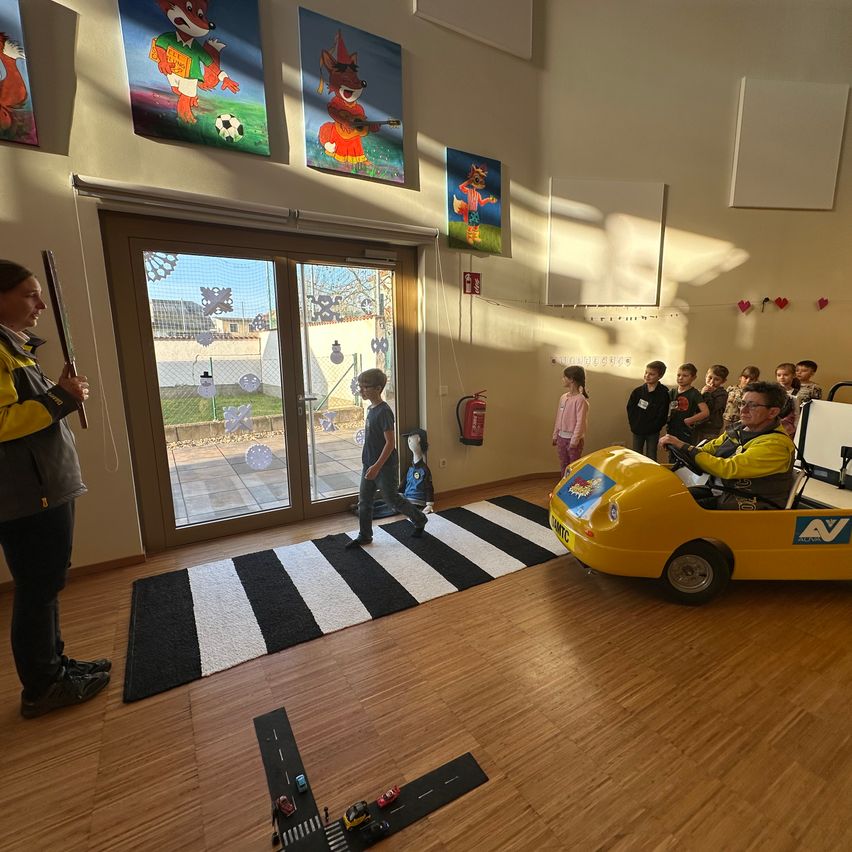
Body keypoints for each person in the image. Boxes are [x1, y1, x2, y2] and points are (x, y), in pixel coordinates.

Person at [0, 259, 110, 718]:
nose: (40, 305)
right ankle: (42, 687)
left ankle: (54, 668)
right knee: (38, 587)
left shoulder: (16, 349)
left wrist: (60, 392)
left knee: (46, 583)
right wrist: (61, 397)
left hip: (41, 488)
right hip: (29, 493)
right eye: (30, 294)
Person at [659, 381, 795, 510]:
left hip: (752, 502)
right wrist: (682, 448)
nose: (743, 410)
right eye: (742, 403)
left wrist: (684, 447)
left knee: (674, 510)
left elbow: (728, 469)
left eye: (753, 405)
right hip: (723, 491)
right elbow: (707, 450)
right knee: (664, 498)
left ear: (773, 412)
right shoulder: (739, 429)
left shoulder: (776, 444)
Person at [346, 369, 428, 549]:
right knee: (364, 501)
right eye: (360, 386)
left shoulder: (384, 411)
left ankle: (419, 519)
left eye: (365, 387)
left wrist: (376, 466)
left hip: (384, 466)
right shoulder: (371, 409)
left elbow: (390, 443)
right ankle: (365, 535)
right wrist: (369, 463)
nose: (361, 390)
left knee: (392, 499)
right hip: (369, 463)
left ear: (378, 388)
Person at [626, 360, 669, 460]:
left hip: (653, 432)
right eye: (646, 372)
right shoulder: (637, 392)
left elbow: (663, 414)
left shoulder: (664, 393)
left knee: (651, 455)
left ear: (660, 376)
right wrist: (634, 425)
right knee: (636, 455)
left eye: (651, 374)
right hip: (638, 429)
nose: (647, 376)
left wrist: (655, 427)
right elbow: (630, 409)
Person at [665, 363, 709, 459]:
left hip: (685, 431)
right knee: (671, 455)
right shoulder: (672, 392)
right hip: (672, 428)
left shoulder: (694, 393)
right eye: (678, 375)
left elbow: (705, 412)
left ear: (693, 378)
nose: (680, 378)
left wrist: (690, 420)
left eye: (685, 376)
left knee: (682, 455)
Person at [552, 365, 589, 475]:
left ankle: (573, 484)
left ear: (572, 379)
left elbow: (580, 422)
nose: (563, 379)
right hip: (561, 438)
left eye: (565, 377)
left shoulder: (580, 400)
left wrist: (574, 440)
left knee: (573, 467)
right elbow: (559, 417)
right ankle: (564, 484)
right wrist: (555, 435)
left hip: (573, 440)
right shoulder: (563, 397)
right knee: (563, 465)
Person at [399, 428, 434, 514]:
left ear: (419, 439)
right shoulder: (411, 468)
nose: (408, 441)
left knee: (393, 507)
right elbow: (404, 481)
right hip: (407, 497)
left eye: (411, 439)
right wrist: (398, 492)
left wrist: (429, 504)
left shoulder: (424, 469)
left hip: (417, 501)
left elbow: (429, 487)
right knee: (387, 502)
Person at [693, 364, 730, 444]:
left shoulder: (722, 394)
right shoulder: (701, 391)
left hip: (711, 428)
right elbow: (696, 407)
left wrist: (707, 394)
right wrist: (701, 394)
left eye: (716, 379)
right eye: (710, 378)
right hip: (698, 426)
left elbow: (711, 408)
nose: (712, 382)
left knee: (705, 447)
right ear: (706, 376)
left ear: (723, 381)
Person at [723, 365, 760, 431]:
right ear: (740, 377)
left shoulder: (752, 393)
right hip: (727, 418)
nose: (748, 381)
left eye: (751, 379)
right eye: (746, 378)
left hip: (741, 421)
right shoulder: (731, 388)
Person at [775, 362, 800, 438]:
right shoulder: (772, 391)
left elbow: (797, 413)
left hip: (788, 428)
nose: (782, 377)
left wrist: (797, 429)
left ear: (794, 375)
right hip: (773, 424)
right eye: (779, 375)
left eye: (785, 375)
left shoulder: (796, 394)